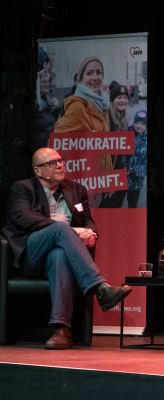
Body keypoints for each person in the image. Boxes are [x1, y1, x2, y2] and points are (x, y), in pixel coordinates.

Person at [1, 148, 133, 349]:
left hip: (61, 254)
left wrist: (90, 233)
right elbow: (22, 218)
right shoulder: (23, 188)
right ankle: (100, 288)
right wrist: (71, 230)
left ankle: (62, 330)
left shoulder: (76, 189)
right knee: (60, 229)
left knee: (59, 255)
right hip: (30, 254)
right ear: (38, 171)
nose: (60, 165)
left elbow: (89, 222)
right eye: (52, 163)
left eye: (61, 161)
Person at [54, 56, 113, 171]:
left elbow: (106, 150)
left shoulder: (103, 105)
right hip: (86, 182)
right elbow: (58, 145)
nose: (95, 77)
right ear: (81, 78)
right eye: (89, 73)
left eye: (98, 72)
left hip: (103, 181)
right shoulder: (77, 106)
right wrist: (85, 143)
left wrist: (109, 176)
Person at [99, 82, 131, 208]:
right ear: (112, 100)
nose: (122, 100)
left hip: (120, 172)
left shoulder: (125, 119)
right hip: (108, 173)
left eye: (125, 97)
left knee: (118, 204)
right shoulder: (107, 119)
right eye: (119, 97)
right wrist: (109, 179)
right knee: (107, 206)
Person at [127, 110, 147, 208]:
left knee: (132, 204)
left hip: (136, 182)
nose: (139, 126)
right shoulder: (128, 134)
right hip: (123, 178)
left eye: (143, 124)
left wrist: (133, 171)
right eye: (137, 122)